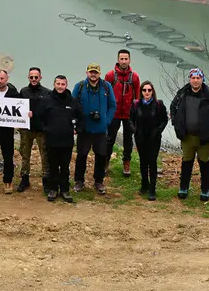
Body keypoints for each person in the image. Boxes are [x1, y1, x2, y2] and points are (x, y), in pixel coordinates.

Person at [170, 68, 209, 201]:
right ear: (190, 79)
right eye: (193, 78)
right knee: (186, 162)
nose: (195, 80)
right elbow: (173, 107)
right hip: (187, 136)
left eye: (198, 78)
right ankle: (183, 188)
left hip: (204, 137)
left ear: (202, 79)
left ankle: (205, 189)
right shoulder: (182, 93)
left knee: (204, 163)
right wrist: (176, 124)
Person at [37, 75, 82, 203]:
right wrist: (46, 129)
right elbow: (39, 117)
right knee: (52, 166)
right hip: (51, 140)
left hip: (67, 141)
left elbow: (81, 117)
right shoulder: (46, 100)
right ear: (54, 84)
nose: (60, 87)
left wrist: (77, 129)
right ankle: (53, 189)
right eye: (58, 84)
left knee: (65, 167)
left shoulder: (72, 101)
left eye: (63, 84)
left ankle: (64, 190)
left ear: (66, 85)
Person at [72, 63, 116, 195]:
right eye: (91, 72)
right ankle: (79, 181)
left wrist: (106, 121)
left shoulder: (106, 87)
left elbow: (112, 106)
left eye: (95, 72)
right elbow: (73, 106)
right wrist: (76, 123)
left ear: (99, 73)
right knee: (81, 156)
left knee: (101, 156)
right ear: (87, 73)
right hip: (84, 129)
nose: (93, 74)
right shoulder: (79, 87)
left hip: (101, 130)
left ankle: (99, 181)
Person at [128, 81, 168, 201]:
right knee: (143, 161)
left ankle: (152, 188)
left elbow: (164, 120)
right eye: (144, 90)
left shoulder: (159, 105)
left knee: (152, 161)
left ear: (152, 91)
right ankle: (144, 184)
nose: (147, 92)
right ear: (141, 92)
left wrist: (159, 130)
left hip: (154, 138)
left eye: (149, 90)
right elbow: (130, 119)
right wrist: (134, 130)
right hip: (140, 137)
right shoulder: (136, 104)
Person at [104, 49, 140, 177]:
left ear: (129, 60)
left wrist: (137, 113)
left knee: (128, 140)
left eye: (126, 59)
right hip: (113, 113)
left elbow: (137, 97)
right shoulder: (110, 76)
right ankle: (106, 161)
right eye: (121, 59)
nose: (124, 61)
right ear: (118, 60)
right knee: (109, 139)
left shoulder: (134, 77)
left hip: (128, 114)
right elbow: (105, 95)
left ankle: (126, 162)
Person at [17, 67, 51, 193]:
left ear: (40, 77)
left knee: (45, 156)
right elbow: (17, 108)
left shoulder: (47, 92)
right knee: (25, 155)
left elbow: (50, 110)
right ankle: (24, 178)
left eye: (36, 77)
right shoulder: (23, 91)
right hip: (26, 129)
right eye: (31, 77)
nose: (34, 79)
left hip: (41, 130)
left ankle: (46, 180)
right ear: (28, 78)